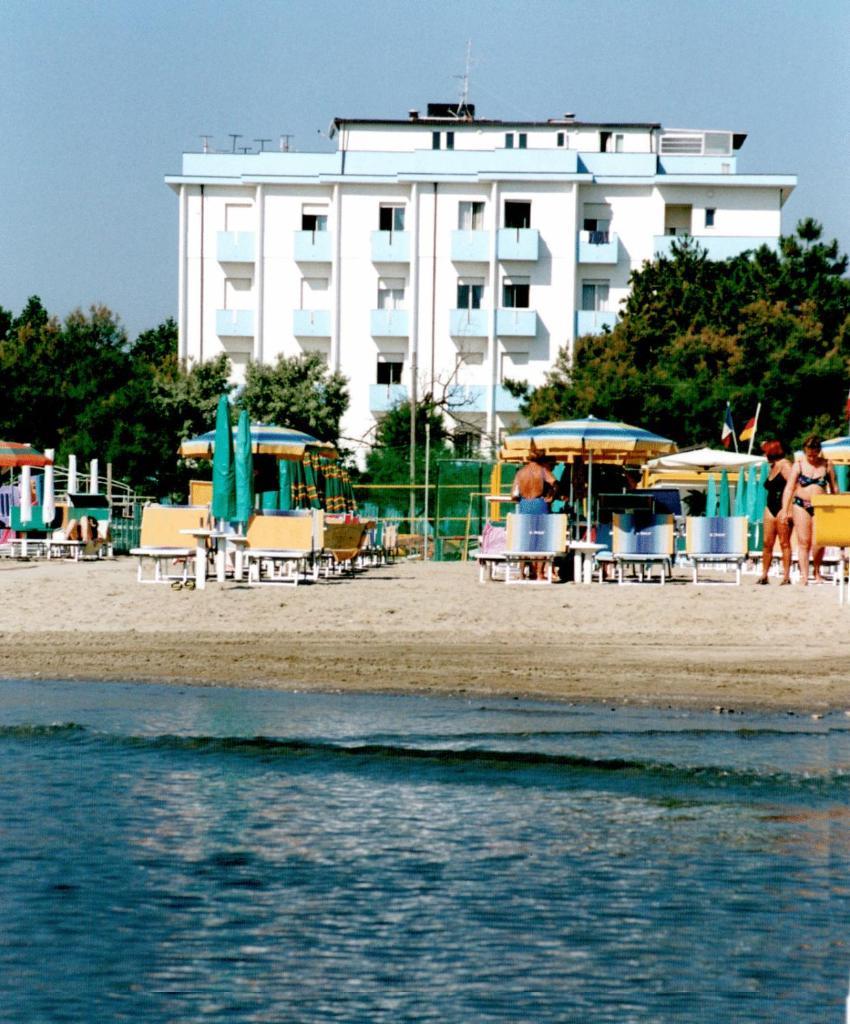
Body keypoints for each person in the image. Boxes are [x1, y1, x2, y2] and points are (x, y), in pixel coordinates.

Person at [781, 434, 839, 585]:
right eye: (809, 454)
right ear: (805, 451)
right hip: (801, 504)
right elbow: (788, 489)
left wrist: (836, 508)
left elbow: (834, 489)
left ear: (819, 451)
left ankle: (817, 570)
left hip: (821, 505)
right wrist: (785, 509)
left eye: (814, 454)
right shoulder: (798, 465)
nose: (812, 458)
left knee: (819, 541)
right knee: (803, 541)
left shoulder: (827, 465)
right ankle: (804, 576)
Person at [511, 453, 559, 580]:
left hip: (525, 504)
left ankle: (521, 574)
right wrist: (551, 495)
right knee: (541, 539)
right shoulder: (543, 471)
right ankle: (539, 573)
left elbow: (514, 494)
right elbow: (555, 483)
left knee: (523, 539)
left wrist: (519, 498)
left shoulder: (520, 472)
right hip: (539, 504)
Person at [756, 439, 793, 585]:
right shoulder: (772, 467)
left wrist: (787, 509)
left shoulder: (785, 465)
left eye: (765, 451)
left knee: (784, 543)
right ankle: (764, 575)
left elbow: (793, 487)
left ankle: (786, 576)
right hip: (770, 507)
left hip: (782, 507)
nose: (764, 455)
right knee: (767, 543)